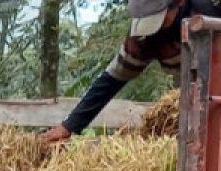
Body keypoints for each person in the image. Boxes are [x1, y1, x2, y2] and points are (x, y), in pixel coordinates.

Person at [41, 0, 221, 143]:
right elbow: (111, 80)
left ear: (179, 3)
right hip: (201, 113)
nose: (153, 29)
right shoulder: (146, 39)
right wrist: (70, 126)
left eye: (159, 19)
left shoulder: (211, 12)